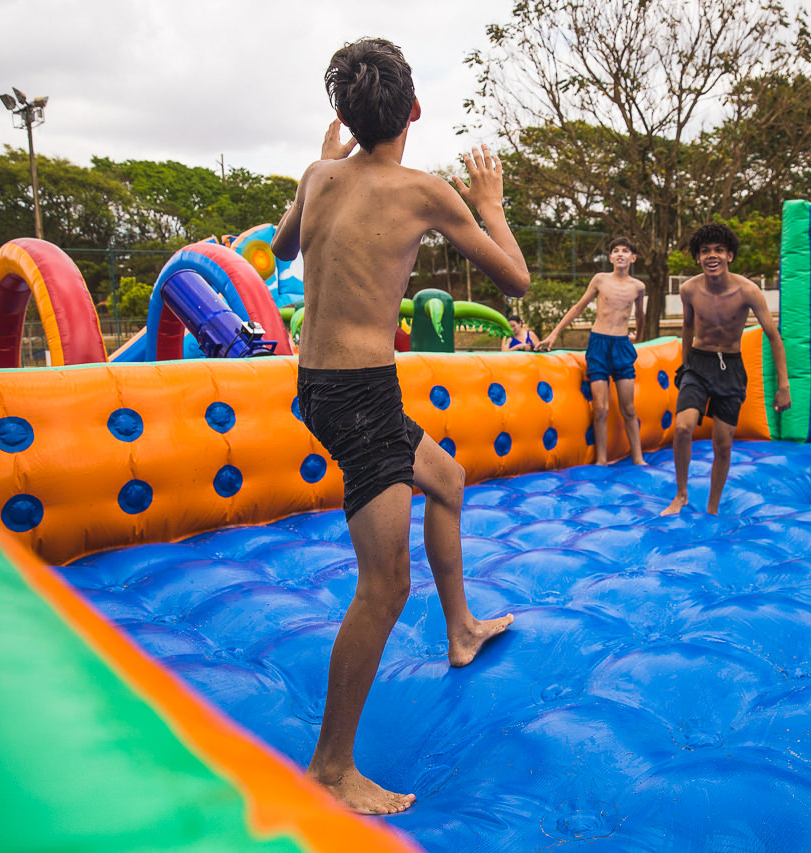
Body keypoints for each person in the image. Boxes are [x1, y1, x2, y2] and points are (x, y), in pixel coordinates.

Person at [271, 38, 530, 816]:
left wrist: (320, 165)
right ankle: (330, 768)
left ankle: (462, 629)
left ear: (345, 118)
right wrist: (490, 206)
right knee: (384, 585)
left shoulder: (318, 175)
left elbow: (281, 246)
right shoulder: (425, 191)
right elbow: (516, 280)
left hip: (320, 386)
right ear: (414, 109)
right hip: (360, 394)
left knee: (446, 479)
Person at [661, 223, 791, 516]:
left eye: (718, 250)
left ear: (729, 255)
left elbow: (773, 336)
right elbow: (687, 326)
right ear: (698, 257)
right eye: (705, 251)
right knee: (682, 428)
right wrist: (685, 366)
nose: (712, 256)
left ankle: (712, 508)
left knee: (722, 444)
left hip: (730, 367)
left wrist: (784, 385)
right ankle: (680, 495)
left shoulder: (748, 291)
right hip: (698, 363)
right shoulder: (689, 289)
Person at [538, 237, 647, 465]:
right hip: (599, 344)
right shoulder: (600, 280)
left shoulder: (638, 287)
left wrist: (638, 336)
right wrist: (554, 333)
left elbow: (640, 315)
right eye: (615, 251)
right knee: (600, 408)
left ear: (633, 258)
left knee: (628, 408)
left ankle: (638, 458)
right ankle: (601, 459)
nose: (620, 254)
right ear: (610, 257)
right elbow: (578, 307)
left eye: (625, 251)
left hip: (621, 346)